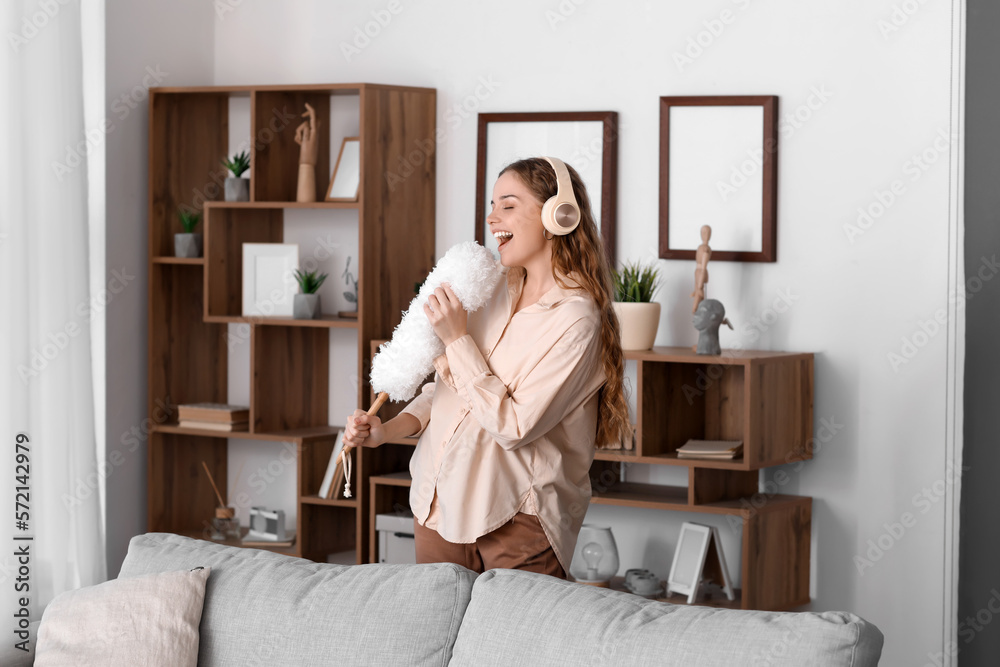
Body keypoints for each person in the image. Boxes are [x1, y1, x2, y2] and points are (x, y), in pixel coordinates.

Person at [343, 157, 631, 579]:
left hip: (516, 520)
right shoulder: (489, 286)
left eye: (508, 205)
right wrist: (386, 431)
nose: (491, 218)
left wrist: (457, 338)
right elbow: (447, 391)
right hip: (437, 506)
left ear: (558, 214)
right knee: (437, 644)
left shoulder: (576, 319)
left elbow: (515, 427)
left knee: (511, 646)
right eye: (492, 204)